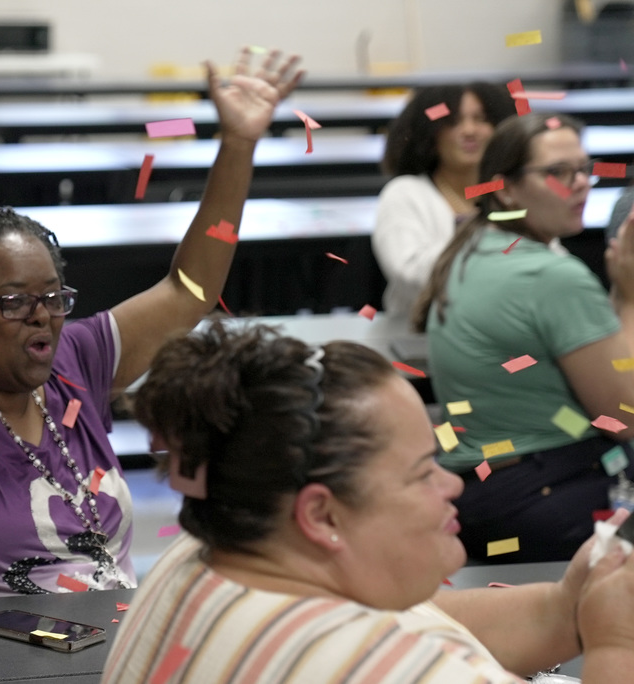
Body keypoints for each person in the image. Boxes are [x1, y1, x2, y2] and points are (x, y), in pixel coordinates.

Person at [0, 50, 304, 608]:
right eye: (13, 301)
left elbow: (190, 292)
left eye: (54, 298)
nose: (42, 315)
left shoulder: (74, 366)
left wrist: (239, 145)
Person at [100, 320, 634, 684]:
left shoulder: (206, 553)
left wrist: (569, 607)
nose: (452, 486)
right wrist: (615, 648)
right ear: (321, 515)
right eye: (422, 472)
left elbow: (418, 616)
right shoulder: (394, 669)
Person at [415, 112, 634, 563]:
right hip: (550, 502)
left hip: (482, 495)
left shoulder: (474, 248)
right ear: (505, 187)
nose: (578, 184)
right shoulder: (551, 274)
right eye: (556, 172)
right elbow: (622, 417)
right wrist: (629, 299)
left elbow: (590, 359)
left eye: (583, 169)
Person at [371, 83, 514, 318]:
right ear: (429, 132)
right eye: (454, 121)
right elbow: (408, 273)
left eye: (481, 119)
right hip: (421, 334)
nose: (469, 130)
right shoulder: (405, 193)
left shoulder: (512, 193)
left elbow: (549, 261)